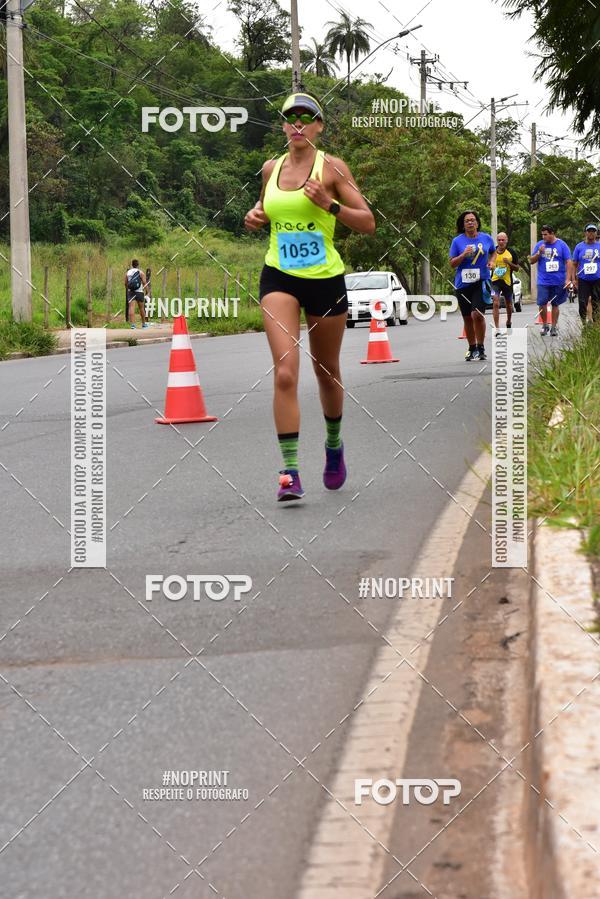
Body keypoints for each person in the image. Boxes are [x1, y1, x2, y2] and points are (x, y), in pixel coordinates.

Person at [244, 92, 375, 501]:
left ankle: (333, 447)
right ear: (283, 125)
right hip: (279, 275)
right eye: (290, 117)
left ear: (319, 125)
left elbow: (368, 222)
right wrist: (254, 216)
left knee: (326, 371)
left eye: (307, 117)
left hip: (325, 280)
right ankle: (289, 472)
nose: (297, 124)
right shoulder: (271, 168)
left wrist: (330, 205)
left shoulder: (333, 167)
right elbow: (264, 210)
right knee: (285, 372)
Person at [450, 211, 496, 361]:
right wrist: (463, 255)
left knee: (477, 314)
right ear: (463, 225)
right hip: (463, 284)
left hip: (482, 282)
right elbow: (452, 264)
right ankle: (472, 347)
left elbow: (493, 252)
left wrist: (492, 261)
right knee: (467, 318)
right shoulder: (457, 241)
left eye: (472, 220)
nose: (470, 223)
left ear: (477, 223)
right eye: (467, 221)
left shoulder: (486, 238)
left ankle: (481, 347)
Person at [528, 226, 571, 336]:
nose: (543, 237)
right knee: (542, 303)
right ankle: (545, 325)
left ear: (552, 233)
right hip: (543, 280)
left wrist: (568, 279)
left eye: (546, 234)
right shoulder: (540, 245)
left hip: (558, 280)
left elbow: (568, 262)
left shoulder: (562, 245)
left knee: (555, 304)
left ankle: (554, 327)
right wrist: (539, 253)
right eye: (542, 235)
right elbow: (531, 261)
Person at [490, 232, 519, 333]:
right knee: (495, 303)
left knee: (509, 304)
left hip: (507, 282)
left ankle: (509, 321)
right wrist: (489, 265)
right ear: (497, 241)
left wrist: (509, 263)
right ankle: (497, 328)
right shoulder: (493, 251)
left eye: (503, 240)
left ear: (506, 240)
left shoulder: (511, 252)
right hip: (495, 281)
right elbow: (488, 263)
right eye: (499, 240)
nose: (501, 242)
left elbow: (517, 268)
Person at [572, 223, 600, 325]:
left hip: (597, 279)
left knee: (596, 302)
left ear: (596, 233)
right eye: (589, 231)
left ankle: (596, 324)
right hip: (583, 279)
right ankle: (584, 323)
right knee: (582, 303)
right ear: (585, 233)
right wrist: (574, 279)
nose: (591, 233)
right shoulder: (579, 247)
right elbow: (574, 264)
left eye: (593, 231)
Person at [124, 260, 148, 328]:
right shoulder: (141, 272)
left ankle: (133, 325)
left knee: (131, 308)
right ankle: (143, 324)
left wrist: (128, 289)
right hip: (139, 292)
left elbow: (125, 283)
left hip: (131, 292)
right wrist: (147, 291)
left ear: (132, 265)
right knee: (141, 308)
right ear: (138, 265)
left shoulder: (128, 272)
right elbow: (144, 283)